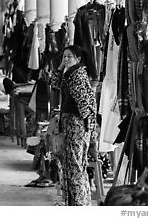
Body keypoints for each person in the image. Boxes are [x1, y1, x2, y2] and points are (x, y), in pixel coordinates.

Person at [50, 45, 97, 206]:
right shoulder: (69, 73)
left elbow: (85, 104)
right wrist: (61, 66)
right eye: (64, 56)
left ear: (78, 59)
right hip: (72, 123)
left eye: (70, 57)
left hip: (77, 124)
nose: (66, 59)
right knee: (72, 164)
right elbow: (54, 83)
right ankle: (76, 202)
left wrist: (84, 126)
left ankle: (79, 204)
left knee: (75, 165)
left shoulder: (77, 75)